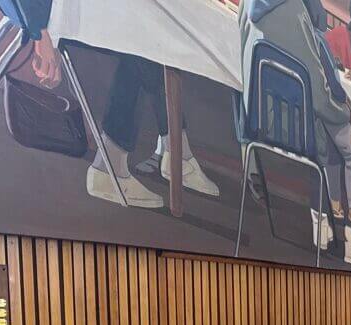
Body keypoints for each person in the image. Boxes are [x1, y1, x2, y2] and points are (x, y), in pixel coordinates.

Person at [240, 0, 351, 266]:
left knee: (331, 134)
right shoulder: (298, 12)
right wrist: (343, 110)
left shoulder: (246, 6)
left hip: (258, 117)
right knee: (347, 143)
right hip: (296, 128)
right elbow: (319, 94)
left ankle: (324, 222)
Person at [28, 16, 218, 208]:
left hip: (63, 14)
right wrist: (40, 31)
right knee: (144, 42)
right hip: (52, 17)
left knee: (148, 36)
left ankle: (123, 160)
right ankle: (168, 155)